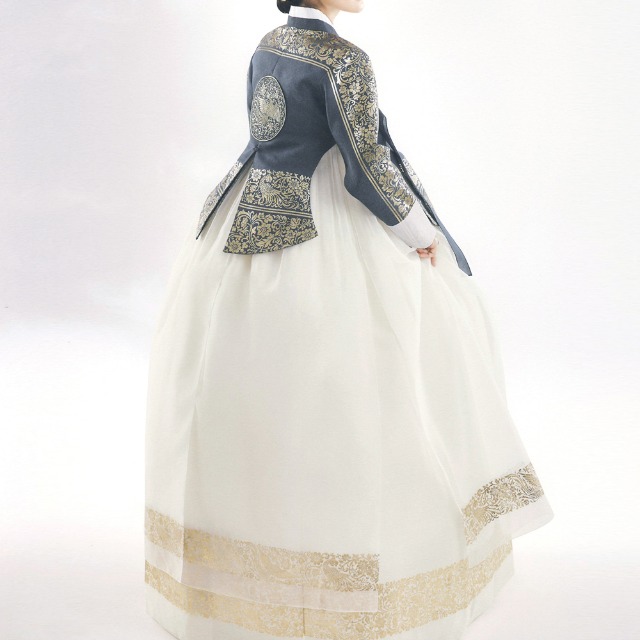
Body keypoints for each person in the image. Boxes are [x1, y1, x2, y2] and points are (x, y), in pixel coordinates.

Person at [144, 2, 555, 639]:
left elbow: (265, 138)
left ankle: (242, 571)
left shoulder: (269, 41)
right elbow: (364, 166)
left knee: (253, 391)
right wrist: (418, 234)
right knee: (369, 383)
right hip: (323, 225)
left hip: (251, 213)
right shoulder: (344, 60)